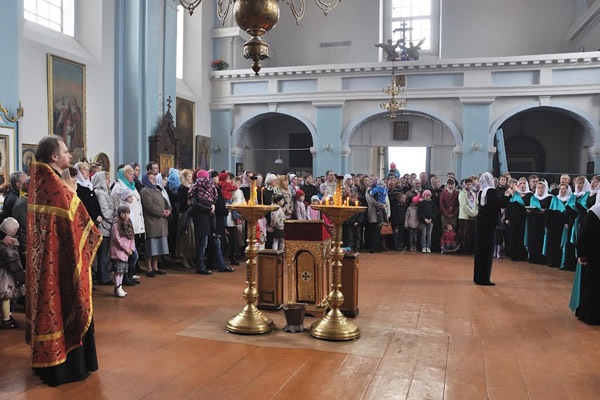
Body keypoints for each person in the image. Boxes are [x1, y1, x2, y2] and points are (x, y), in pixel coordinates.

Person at [27, 136, 101, 386]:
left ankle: (51, 364)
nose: (70, 156)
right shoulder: (56, 186)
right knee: (64, 302)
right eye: (66, 152)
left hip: (49, 260)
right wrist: (72, 191)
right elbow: (78, 222)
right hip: (59, 262)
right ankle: (67, 367)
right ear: (54, 157)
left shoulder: (41, 180)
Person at [473, 172, 512, 286]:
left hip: (481, 224)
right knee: (487, 252)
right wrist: (507, 195)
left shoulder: (481, 191)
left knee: (480, 251)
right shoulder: (490, 191)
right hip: (489, 225)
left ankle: (478, 277)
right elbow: (500, 204)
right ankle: (484, 279)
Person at [569, 200, 600, 324]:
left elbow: (584, 234)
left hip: (594, 255)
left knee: (593, 285)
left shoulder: (595, 212)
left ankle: (591, 316)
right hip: (595, 254)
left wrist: (581, 254)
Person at [139, 171, 171, 277]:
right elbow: (149, 205)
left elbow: (165, 202)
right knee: (151, 247)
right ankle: (148, 268)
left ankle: (155, 266)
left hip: (161, 223)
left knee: (158, 247)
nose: (153, 180)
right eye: (151, 178)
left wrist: (168, 210)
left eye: (154, 178)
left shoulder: (157, 190)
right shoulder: (144, 191)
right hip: (151, 222)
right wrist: (162, 212)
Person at [0, 217, 25, 329]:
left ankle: (5, 316)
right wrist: (22, 277)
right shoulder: (9, 248)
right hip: (5, 276)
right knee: (6, 297)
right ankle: (6, 319)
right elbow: (14, 264)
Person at [92, 171, 116, 285]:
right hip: (103, 227)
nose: (109, 181)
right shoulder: (100, 193)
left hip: (107, 226)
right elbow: (105, 211)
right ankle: (103, 277)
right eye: (106, 179)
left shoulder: (105, 192)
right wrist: (115, 217)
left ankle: (103, 275)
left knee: (105, 254)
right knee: (103, 254)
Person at [109, 205, 136, 298]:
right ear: (119, 214)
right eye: (123, 213)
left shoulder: (129, 224)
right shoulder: (116, 225)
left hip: (125, 253)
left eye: (127, 213)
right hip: (118, 252)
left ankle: (119, 287)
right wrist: (126, 249)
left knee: (122, 271)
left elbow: (132, 238)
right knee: (118, 271)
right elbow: (117, 239)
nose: (126, 215)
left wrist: (131, 249)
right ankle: (117, 287)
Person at [505, 177, 532, 261]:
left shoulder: (530, 195)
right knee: (513, 235)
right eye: (520, 183)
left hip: (524, 219)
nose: (522, 185)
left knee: (522, 236)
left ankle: (522, 255)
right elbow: (509, 206)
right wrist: (507, 217)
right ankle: (513, 254)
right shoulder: (515, 194)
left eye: (524, 183)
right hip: (513, 219)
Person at [526, 180, 553, 265]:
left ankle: (541, 258)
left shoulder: (550, 198)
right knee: (533, 239)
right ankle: (532, 257)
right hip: (533, 221)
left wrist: (545, 210)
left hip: (543, 221)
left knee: (541, 239)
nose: (540, 189)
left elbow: (552, 210)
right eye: (539, 187)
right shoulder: (533, 197)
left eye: (542, 187)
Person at [546, 183, 571, 268]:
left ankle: (561, 261)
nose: (562, 191)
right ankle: (552, 261)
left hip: (563, 224)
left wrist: (566, 221)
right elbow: (550, 211)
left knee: (561, 242)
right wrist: (547, 224)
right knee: (553, 242)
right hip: (554, 224)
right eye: (560, 189)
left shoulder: (570, 200)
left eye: (564, 189)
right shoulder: (555, 199)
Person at [176, 169, 195, 269]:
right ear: (184, 178)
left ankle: (190, 257)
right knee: (185, 238)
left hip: (191, 214)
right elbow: (183, 203)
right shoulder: (182, 188)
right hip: (184, 214)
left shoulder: (191, 187)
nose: (191, 178)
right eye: (189, 176)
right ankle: (184, 259)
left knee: (191, 238)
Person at [458, 178, 478, 254]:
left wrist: (475, 212)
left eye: (470, 184)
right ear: (465, 185)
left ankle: (471, 249)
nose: (469, 186)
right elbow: (463, 205)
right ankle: (464, 249)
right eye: (467, 184)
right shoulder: (462, 193)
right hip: (464, 216)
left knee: (471, 234)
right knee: (464, 233)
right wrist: (471, 213)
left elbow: (476, 204)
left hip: (472, 217)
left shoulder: (473, 193)